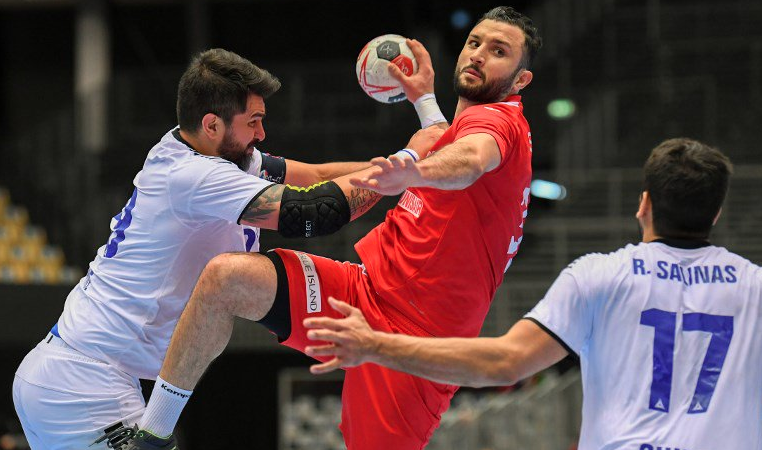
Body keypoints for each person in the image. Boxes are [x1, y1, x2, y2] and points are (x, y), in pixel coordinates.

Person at [127, 6, 543, 450]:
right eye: (474, 42)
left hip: (413, 346)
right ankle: (153, 436)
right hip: (361, 294)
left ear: (520, 79)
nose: (479, 55)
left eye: (499, 51)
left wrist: (411, 171)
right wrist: (423, 103)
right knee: (225, 278)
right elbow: (445, 145)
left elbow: (470, 159)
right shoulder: (464, 126)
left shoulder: (500, 121)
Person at [11, 48, 439, 450]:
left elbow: (318, 176)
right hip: (81, 383)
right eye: (252, 121)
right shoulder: (192, 176)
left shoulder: (220, 153)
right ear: (212, 124)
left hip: (81, 375)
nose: (262, 133)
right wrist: (408, 158)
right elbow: (315, 210)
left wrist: (413, 166)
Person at [305, 139, 757, 449]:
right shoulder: (755, 289)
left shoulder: (599, 277)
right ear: (716, 213)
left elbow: (504, 362)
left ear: (644, 205)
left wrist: (373, 345)